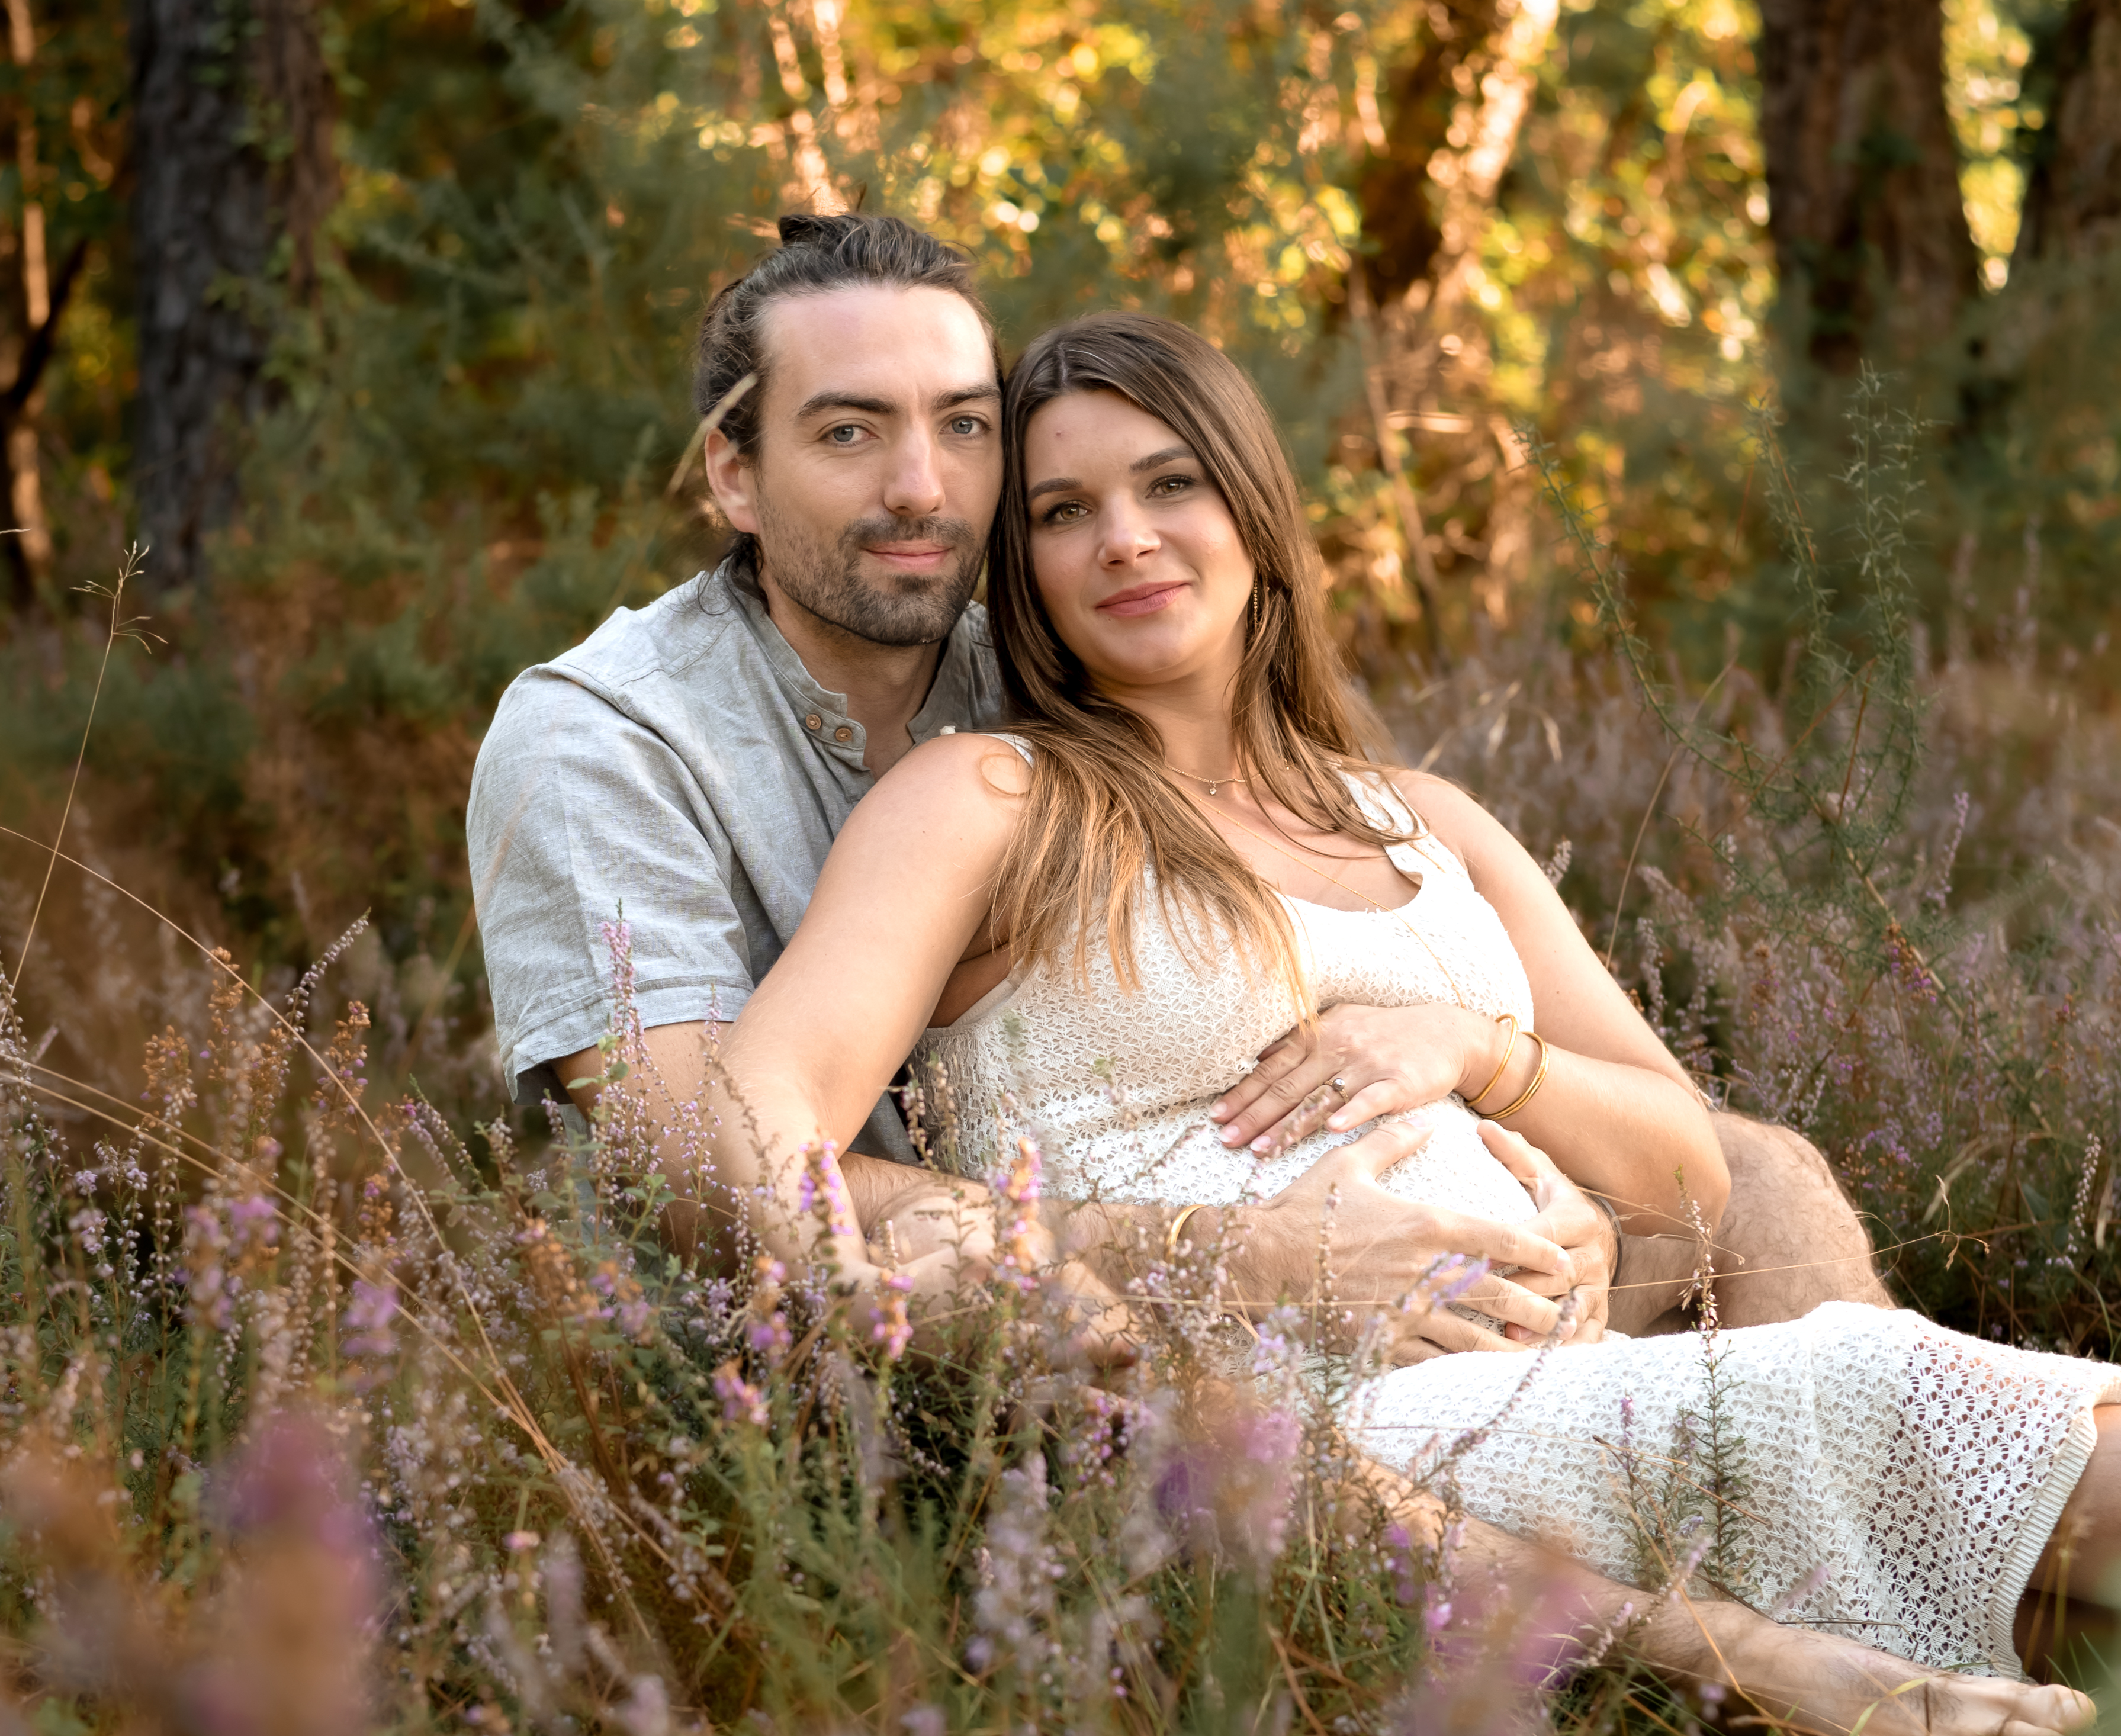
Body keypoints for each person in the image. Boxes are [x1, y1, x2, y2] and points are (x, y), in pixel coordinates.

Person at [680, 310, 2121, 1736]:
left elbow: (1692, 1165)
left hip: (1581, 1372)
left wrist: (1479, 1050)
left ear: (1255, 508)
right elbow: (765, 1106)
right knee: (1932, 1423)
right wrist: (1086, 1274)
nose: (1125, 539)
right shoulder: (996, 796)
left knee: (2086, 1575)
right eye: (1065, 513)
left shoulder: (1423, 818)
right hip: (1320, 1438)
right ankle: (1757, 1664)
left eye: (1170, 484)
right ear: (1025, 574)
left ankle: (1838, 1680)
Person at [468, 211, 1882, 1356]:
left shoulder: (1051, 638)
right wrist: (1247, 1255)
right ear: (733, 469)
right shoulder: (603, 744)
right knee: (1039, 1308)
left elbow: (1304, 921)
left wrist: (1534, 1164)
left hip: (1249, 1225)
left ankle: (1857, 1542)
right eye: (848, 433)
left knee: (1756, 1174)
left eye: (965, 427)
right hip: (862, 1328)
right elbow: (713, 1183)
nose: (923, 488)